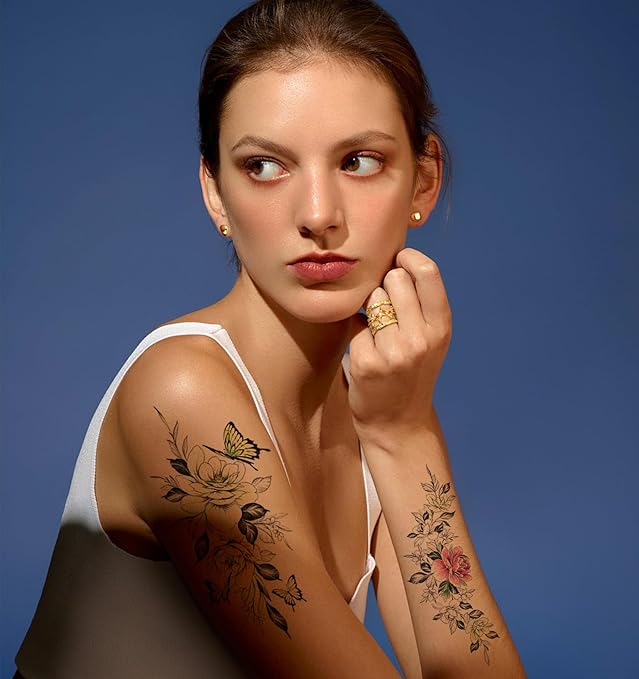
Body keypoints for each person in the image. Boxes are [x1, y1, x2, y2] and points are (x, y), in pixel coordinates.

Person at [14, 0, 527, 677]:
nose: (318, 214)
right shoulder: (181, 393)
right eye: (263, 166)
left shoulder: (377, 406)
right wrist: (400, 433)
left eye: (359, 161)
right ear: (215, 193)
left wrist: (405, 432)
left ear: (423, 180)